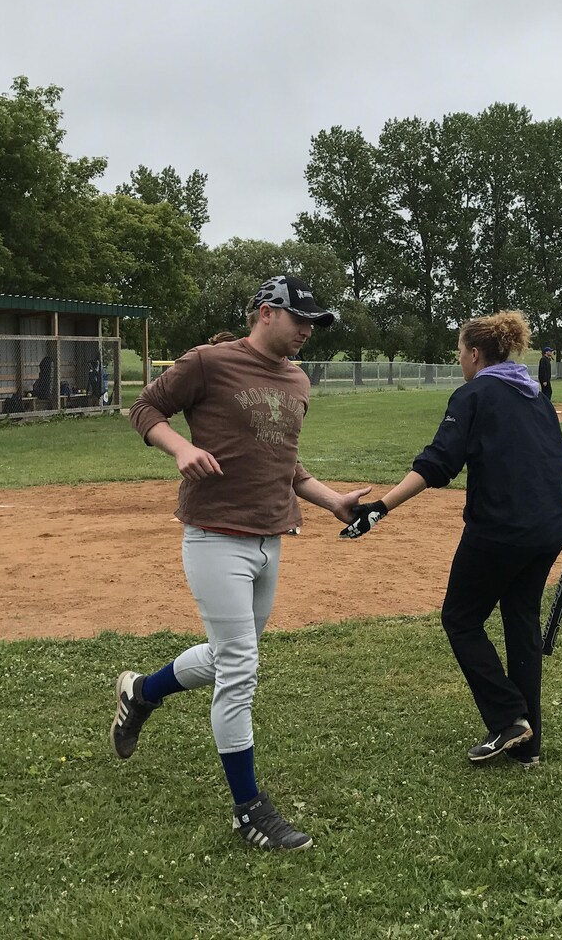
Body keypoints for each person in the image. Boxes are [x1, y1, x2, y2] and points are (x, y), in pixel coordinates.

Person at [113, 274, 371, 852]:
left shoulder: (299, 379)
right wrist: (181, 448)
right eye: (299, 319)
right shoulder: (208, 362)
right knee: (241, 671)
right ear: (265, 312)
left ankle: (142, 692)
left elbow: (285, 464)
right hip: (214, 536)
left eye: (313, 323)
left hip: (270, 537)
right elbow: (146, 406)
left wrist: (333, 502)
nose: (307, 331)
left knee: (233, 656)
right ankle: (248, 810)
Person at [339, 311, 562, 767]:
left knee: (461, 618)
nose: (459, 361)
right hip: (549, 527)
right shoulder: (536, 396)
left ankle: (509, 717)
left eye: (459, 353)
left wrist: (382, 507)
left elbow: (438, 463)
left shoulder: (474, 394)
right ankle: (527, 745)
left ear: (475, 354)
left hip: (501, 530)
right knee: (521, 620)